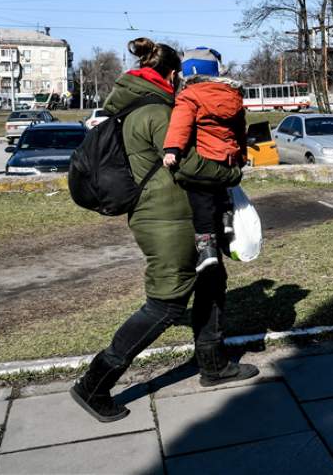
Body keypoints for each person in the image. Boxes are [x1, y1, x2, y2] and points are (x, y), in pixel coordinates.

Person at [71, 38, 258, 424]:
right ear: (172, 75)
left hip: (179, 215)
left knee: (212, 280)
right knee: (166, 303)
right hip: (166, 220)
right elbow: (188, 166)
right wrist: (233, 171)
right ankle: (95, 382)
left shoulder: (138, 106)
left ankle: (213, 363)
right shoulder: (157, 112)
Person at [162, 47, 247, 272]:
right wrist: (242, 156)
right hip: (227, 159)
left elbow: (181, 124)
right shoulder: (233, 96)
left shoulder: (190, 95)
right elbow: (240, 131)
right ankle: (226, 220)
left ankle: (207, 248)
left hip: (205, 156)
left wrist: (172, 149)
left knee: (200, 198)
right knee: (221, 189)